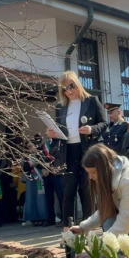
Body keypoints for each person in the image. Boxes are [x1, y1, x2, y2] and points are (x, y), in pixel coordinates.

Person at [46, 71, 107, 228]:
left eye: (71, 86)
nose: (69, 91)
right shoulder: (60, 107)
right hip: (68, 150)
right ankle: (68, 228)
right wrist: (52, 134)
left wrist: (92, 129)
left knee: (86, 189)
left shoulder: (91, 101)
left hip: (86, 149)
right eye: (65, 88)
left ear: (78, 84)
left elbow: (104, 123)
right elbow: (60, 130)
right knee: (69, 189)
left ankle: (87, 226)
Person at [22, 137, 49, 226]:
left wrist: (37, 165)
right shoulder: (27, 157)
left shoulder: (40, 154)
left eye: (31, 146)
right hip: (31, 179)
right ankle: (33, 218)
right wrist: (31, 166)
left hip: (39, 178)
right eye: (28, 147)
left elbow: (44, 165)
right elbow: (24, 168)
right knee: (31, 198)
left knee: (41, 198)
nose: (29, 148)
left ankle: (43, 217)